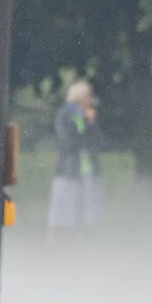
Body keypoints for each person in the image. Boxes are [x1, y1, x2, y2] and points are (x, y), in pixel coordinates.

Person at [49, 79, 103, 233]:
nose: (91, 100)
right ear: (80, 97)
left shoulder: (88, 116)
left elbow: (98, 141)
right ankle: (57, 241)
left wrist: (91, 122)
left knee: (89, 212)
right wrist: (85, 137)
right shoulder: (65, 114)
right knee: (63, 210)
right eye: (88, 96)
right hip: (70, 169)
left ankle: (85, 240)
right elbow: (68, 140)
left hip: (89, 170)